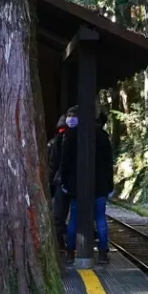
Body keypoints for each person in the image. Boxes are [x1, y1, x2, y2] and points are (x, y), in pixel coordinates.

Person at [60, 106, 114, 264]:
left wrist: (65, 182)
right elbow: (108, 163)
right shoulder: (102, 135)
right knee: (100, 218)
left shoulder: (72, 135)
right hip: (100, 184)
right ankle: (103, 252)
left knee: (74, 219)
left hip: (77, 184)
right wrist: (110, 185)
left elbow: (65, 162)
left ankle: (70, 252)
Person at [47, 115, 69, 249]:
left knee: (58, 215)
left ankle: (59, 241)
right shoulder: (77, 139)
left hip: (59, 181)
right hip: (69, 181)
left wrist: (50, 181)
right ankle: (66, 242)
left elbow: (52, 163)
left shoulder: (53, 142)